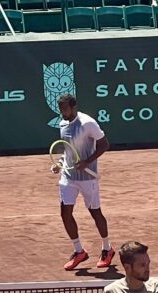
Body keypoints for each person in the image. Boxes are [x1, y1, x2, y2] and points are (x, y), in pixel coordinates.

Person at [55, 93, 115, 272]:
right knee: (65, 213)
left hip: (88, 177)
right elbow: (67, 151)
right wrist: (60, 163)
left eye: (65, 109)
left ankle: (107, 248)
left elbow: (104, 145)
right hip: (68, 177)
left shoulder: (88, 123)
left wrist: (87, 161)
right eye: (60, 109)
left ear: (73, 107)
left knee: (95, 213)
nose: (62, 112)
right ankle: (79, 251)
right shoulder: (62, 124)